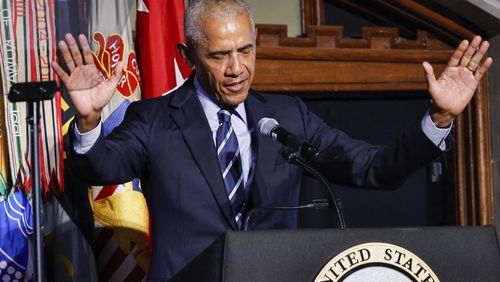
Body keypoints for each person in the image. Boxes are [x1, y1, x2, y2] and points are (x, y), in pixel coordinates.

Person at [51, 0, 492, 280]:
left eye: (246, 50)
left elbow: (376, 167)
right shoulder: (153, 118)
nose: (237, 67)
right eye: (220, 55)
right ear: (187, 56)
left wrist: (440, 117)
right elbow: (100, 168)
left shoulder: (287, 115)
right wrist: (88, 122)